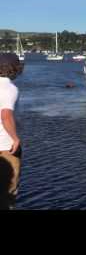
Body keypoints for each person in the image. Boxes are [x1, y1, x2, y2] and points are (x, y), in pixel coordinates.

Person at [0, 53, 22, 210]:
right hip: (6, 147)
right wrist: (15, 139)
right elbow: (6, 114)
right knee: (9, 192)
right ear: (15, 69)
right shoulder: (10, 88)